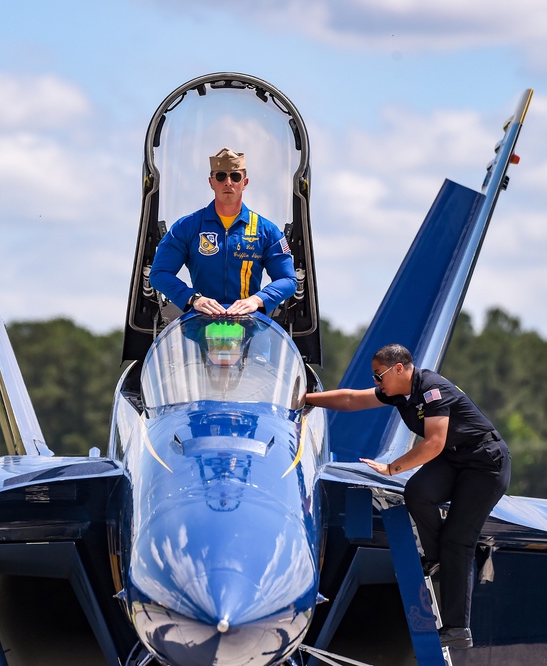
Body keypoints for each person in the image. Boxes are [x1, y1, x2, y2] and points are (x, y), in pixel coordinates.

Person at [304, 344, 511, 649]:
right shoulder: (398, 393)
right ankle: (441, 559)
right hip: (456, 460)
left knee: (457, 539)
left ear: (398, 368)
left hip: (485, 465)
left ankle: (457, 628)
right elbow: (351, 399)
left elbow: (434, 443)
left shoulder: (432, 390)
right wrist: (303, 399)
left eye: (379, 375)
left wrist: (392, 468)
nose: (376, 383)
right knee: (417, 493)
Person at [149, 147, 297, 317]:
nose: (228, 182)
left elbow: (288, 280)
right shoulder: (186, 227)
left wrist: (256, 300)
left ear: (245, 182)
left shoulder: (267, 231)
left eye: (235, 177)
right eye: (220, 176)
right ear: (211, 182)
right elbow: (159, 274)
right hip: (199, 324)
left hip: (251, 325)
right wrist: (194, 298)